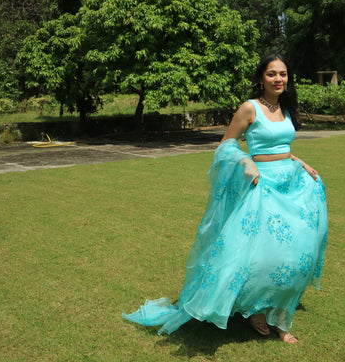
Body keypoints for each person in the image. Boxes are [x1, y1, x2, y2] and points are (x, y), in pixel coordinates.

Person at [122, 54, 328, 344]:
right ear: (261, 78)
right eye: (272, 74)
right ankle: (255, 310)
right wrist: (246, 161)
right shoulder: (249, 108)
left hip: (290, 183)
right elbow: (226, 145)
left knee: (294, 254)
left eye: (283, 74)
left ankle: (279, 315)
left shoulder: (285, 109)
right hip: (261, 186)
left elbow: (281, 146)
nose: (278, 79)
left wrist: (299, 161)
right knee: (262, 254)